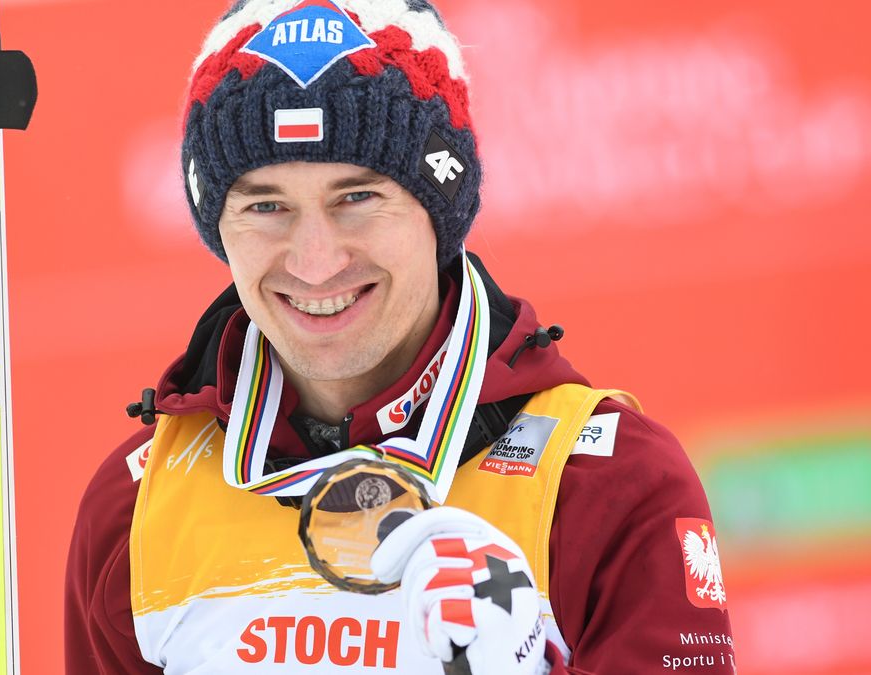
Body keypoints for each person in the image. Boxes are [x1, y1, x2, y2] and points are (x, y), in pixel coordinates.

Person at [66, 1, 736, 672]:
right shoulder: (136, 510)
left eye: (356, 197)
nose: (315, 260)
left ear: (440, 210)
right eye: (265, 205)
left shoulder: (604, 483)